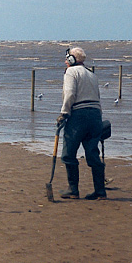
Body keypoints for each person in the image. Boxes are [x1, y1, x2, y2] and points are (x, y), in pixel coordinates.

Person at [56, 47, 106, 200]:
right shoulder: (92, 74)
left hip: (79, 116)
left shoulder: (71, 72)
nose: (65, 62)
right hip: (95, 115)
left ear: (72, 60)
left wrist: (64, 113)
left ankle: (73, 190)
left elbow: (70, 94)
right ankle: (100, 192)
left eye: (67, 59)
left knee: (68, 153)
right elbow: (97, 97)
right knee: (92, 154)